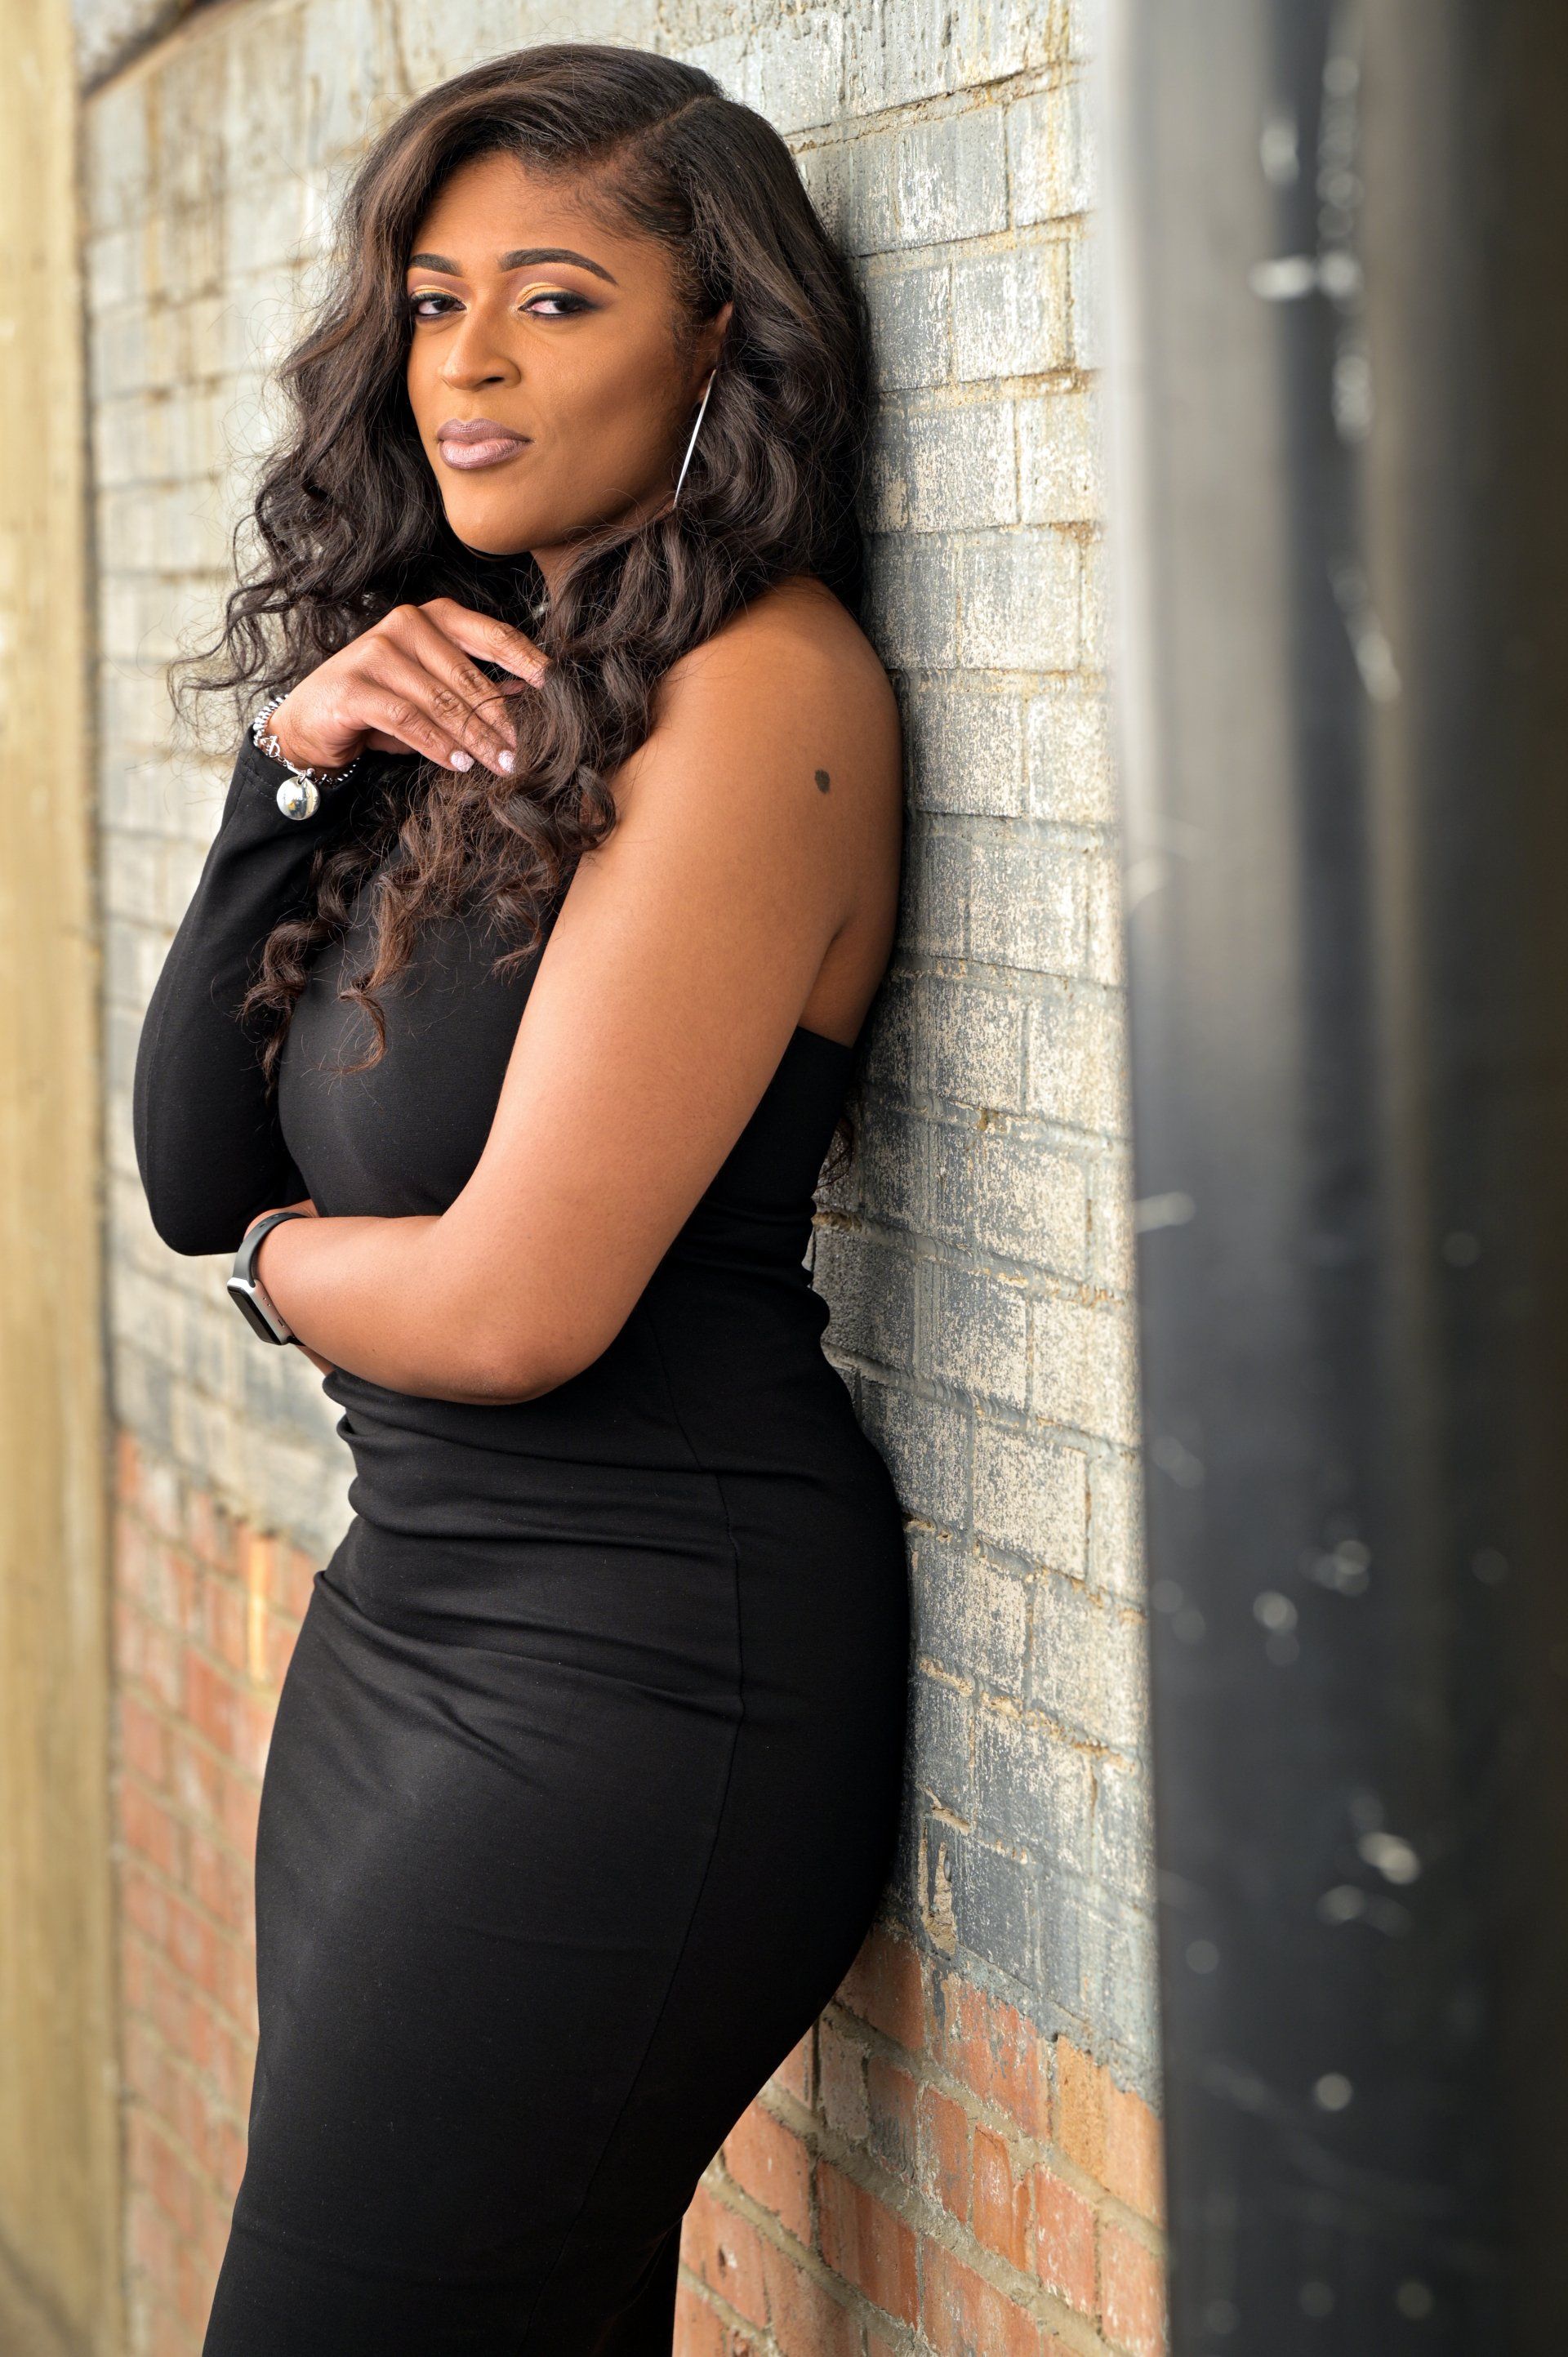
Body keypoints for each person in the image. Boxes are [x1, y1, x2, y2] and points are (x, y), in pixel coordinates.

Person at [131, 38, 910, 2355]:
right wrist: (287, 768)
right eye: (435, 297)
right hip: (412, 1628)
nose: (463, 364)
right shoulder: (495, 699)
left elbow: (509, 1309)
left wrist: (282, 1274)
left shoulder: (764, 696)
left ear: (721, 345)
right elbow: (191, 1161)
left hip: (640, 1679)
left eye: (557, 302)